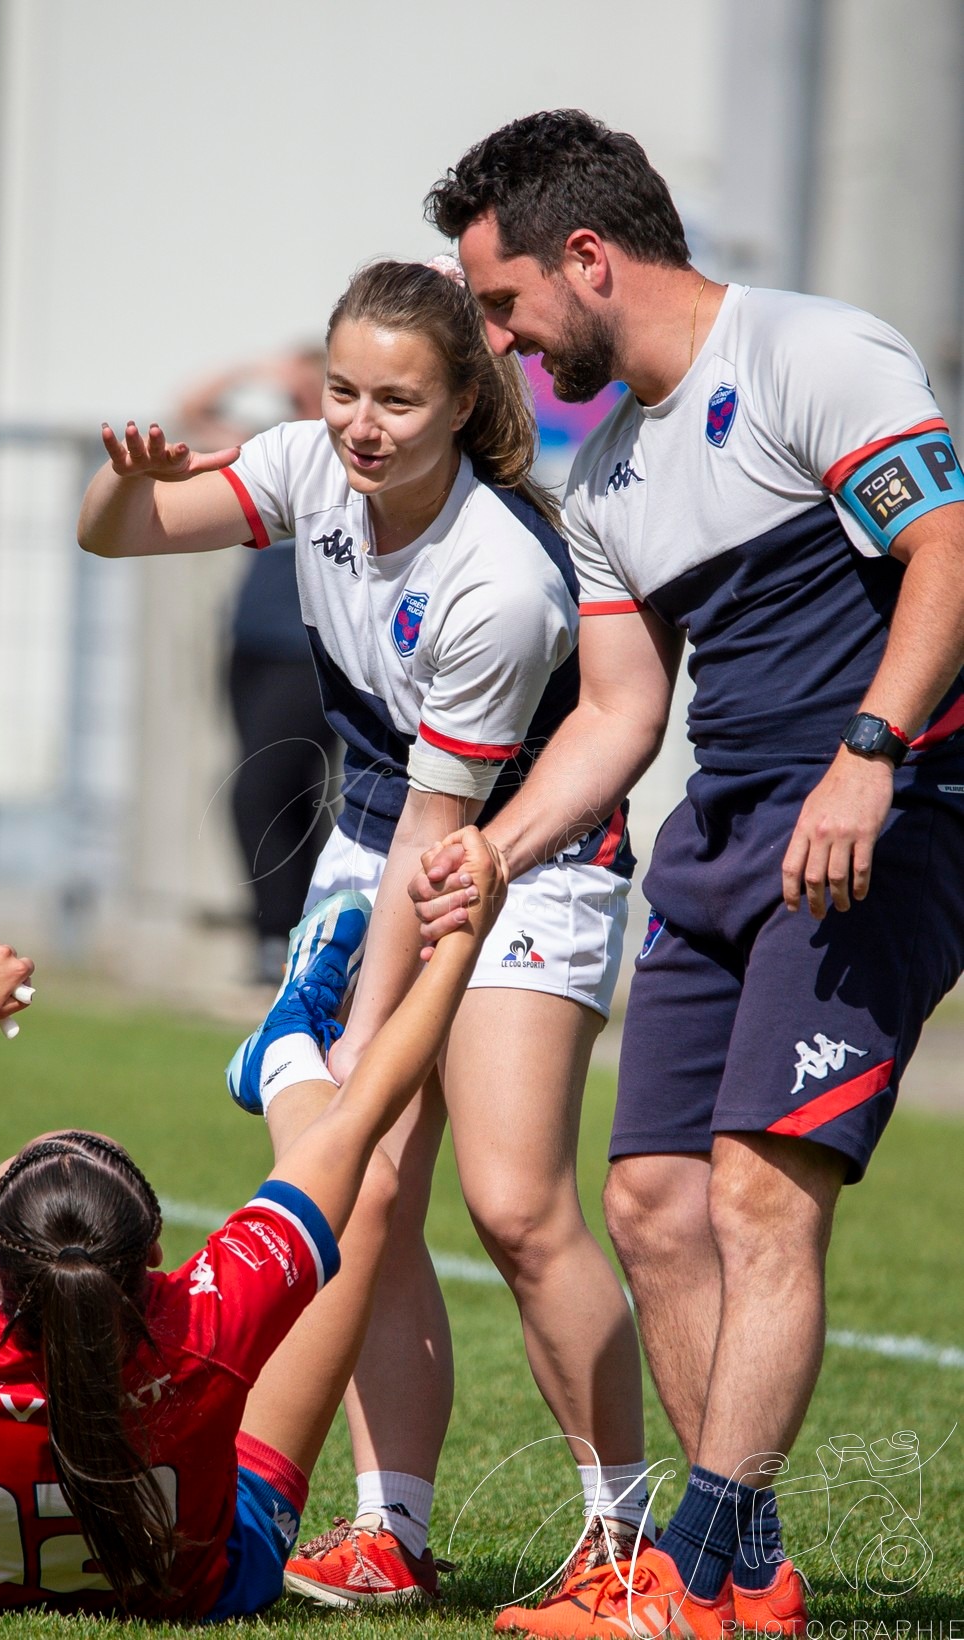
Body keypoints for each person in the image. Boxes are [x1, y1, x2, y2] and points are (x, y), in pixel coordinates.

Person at [412, 109, 964, 1639]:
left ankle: (689, 1579)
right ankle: (754, 1573)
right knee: (652, 1202)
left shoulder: (812, 353)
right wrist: (493, 849)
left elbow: (951, 557)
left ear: (588, 257)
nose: (508, 345)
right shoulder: (610, 484)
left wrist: (871, 747)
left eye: (508, 304)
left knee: (756, 1198)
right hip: (726, 834)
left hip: (881, 811)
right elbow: (618, 715)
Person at [77, 257, 654, 1606]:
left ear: (464, 401)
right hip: (381, 846)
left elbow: (437, 837)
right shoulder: (305, 466)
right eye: (343, 390)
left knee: (513, 1203)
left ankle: (626, 1552)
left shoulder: (499, 580)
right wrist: (128, 472)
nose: (361, 424)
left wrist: (357, 1062)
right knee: (369, 1201)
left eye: (398, 399)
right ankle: (389, 1531)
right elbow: (116, 533)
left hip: (526, 860)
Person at [0, 826, 510, 1618]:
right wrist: (461, 939)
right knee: (367, 1194)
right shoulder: (196, 1327)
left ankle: (267, 1051)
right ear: (157, 1261)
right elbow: (356, 1123)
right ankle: (282, 1049)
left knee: (34, 1164)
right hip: (206, 1575)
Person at [177, 349, 338, 984]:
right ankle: (304, 935)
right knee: (287, 794)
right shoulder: (270, 449)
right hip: (250, 645)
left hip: (308, 653)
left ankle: (277, 938)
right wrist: (255, 366)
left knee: (257, 792)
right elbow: (191, 409)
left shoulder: (345, 458)